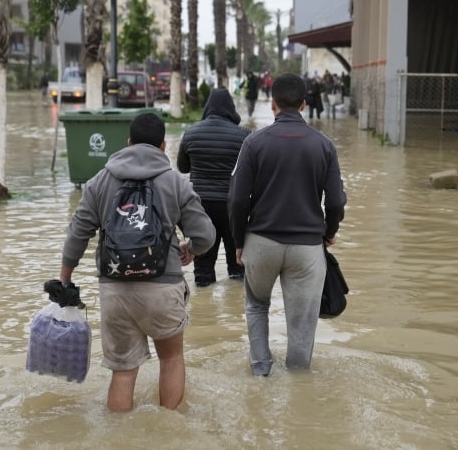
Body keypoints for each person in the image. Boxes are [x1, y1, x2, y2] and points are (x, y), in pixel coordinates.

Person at [59, 113, 216, 411]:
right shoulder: (175, 182)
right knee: (171, 359)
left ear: (128, 143)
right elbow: (206, 235)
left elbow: (77, 234)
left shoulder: (98, 181)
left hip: (114, 289)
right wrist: (191, 249)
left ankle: (120, 438)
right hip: (163, 286)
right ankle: (168, 433)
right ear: (163, 146)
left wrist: (65, 277)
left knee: (123, 371)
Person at [228, 73, 347, 377]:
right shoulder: (324, 145)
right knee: (302, 320)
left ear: (273, 104)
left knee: (256, 306)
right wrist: (329, 233)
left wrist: (239, 241)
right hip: (307, 248)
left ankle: (261, 372)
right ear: (305, 104)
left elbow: (238, 200)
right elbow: (335, 201)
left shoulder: (253, 143)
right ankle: (298, 380)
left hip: (261, 242)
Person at [178, 88, 251, 287]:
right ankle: (235, 310)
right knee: (237, 265)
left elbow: (182, 167)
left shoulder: (191, 133)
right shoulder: (244, 136)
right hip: (232, 207)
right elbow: (251, 174)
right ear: (231, 108)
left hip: (200, 207)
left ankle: (203, 310)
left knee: (202, 267)